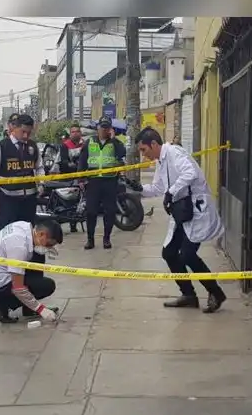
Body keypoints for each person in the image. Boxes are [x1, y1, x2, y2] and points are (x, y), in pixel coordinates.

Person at [130, 127, 227, 313]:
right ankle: (188, 295)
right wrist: (139, 188)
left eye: (144, 149)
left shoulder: (174, 153)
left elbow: (190, 173)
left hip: (196, 211)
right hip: (182, 213)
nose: (143, 155)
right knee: (169, 253)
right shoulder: (161, 161)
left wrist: (171, 192)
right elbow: (158, 188)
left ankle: (216, 292)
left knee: (187, 255)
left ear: (154, 144)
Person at [0, 218, 63, 323]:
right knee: (46, 286)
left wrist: (49, 248)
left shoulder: (25, 227)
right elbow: (18, 288)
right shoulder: (18, 246)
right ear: (41, 234)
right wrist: (40, 309)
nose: (48, 248)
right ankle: (1, 304)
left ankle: (28, 309)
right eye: (48, 245)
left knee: (38, 258)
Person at [0, 113, 45, 240]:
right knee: (3, 233)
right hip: (7, 199)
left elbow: (39, 168)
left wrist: (41, 183)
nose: (26, 136)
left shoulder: (33, 147)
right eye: (23, 132)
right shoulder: (1, 147)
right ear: (14, 128)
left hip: (28, 200)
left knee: (27, 234)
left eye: (29, 133)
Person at [76, 116, 127, 249]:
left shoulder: (115, 143)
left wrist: (114, 139)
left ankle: (106, 239)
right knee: (91, 212)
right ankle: (90, 239)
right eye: (102, 127)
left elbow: (122, 153)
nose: (104, 130)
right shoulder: (89, 142)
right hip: (93, 181)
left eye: (107, 127)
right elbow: (82, 161)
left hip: (110, 181)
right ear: (98, 128)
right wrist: (80, 179)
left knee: (110, 211)